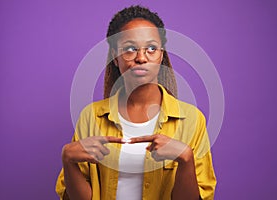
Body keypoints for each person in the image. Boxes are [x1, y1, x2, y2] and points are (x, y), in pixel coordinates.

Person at [56, 5, 216, 200]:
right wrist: (68, 160)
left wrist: (186, 159)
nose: (141, 58)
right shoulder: (91, 116)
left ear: (161, 54)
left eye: (151, 49)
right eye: (130, 49)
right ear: (115, 57)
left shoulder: (192, 120)